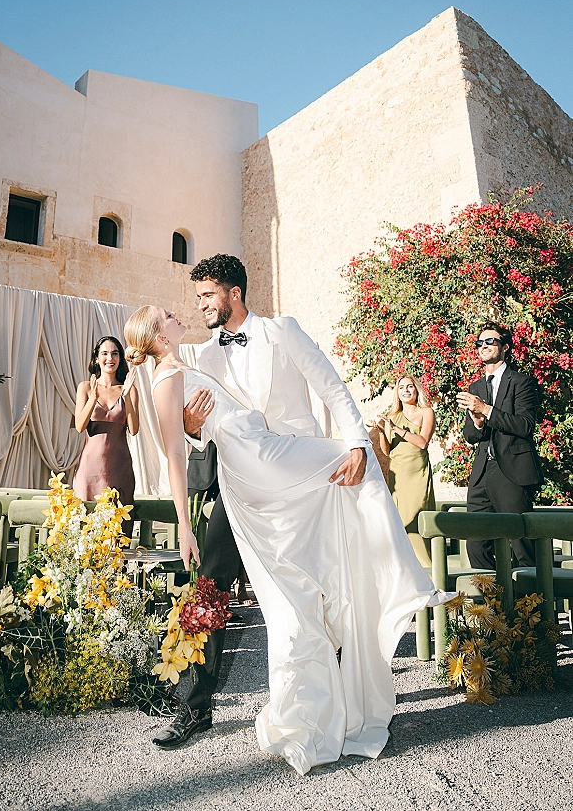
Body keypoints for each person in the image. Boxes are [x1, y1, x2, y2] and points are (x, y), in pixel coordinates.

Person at [124, 303, 452, 776]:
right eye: (175, 311)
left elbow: (330, 390)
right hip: (249, 473)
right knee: (209, 587)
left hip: (283, 473)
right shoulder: (184, 364)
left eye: (205, 296)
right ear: (158, 335)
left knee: (309, 579)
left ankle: (334, 690)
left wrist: (359, 442)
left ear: (233, 293)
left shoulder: (267, 336)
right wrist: (185, 519)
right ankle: (192, 707)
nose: (192, 309)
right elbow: (175, 450)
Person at [456, 322, 543, 570]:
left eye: (490, 341)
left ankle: (532, 606)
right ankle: (492, 605)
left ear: (505, 347)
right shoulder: (475, 388)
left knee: (522, 545)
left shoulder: (522, 382)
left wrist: (486, 409)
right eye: (479, 343)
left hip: (513, 472)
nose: (483, 346)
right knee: (476, 544)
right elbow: (471, 436)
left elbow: (525, 425)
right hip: (482, 473)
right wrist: (478, 421)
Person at [73, 336, 139, 538]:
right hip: (89, 468)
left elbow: (134, 429)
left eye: (115, 353)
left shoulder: (129, 389)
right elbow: (79, 426)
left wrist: (126, 396)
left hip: (119, 468)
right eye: (105, 353)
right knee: (86, 531)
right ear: (96, 358)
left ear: (120, 358)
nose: (110, 358)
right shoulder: (85, 387)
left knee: (118, 534)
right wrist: (93, 398)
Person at [375, 374, 436, 568]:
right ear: (397, 393)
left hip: (417, 473)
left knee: (417, 521)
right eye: (401, 388)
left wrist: (397, 429)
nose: (406, 390)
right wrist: (380, 431)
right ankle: (404, 569)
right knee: (400, 523)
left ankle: (427, 569)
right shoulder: (392, 416)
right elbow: (387, 451)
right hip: (398, 474)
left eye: (410, 387)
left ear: (416, 389)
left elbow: (422, 442)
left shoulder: (426, 412)